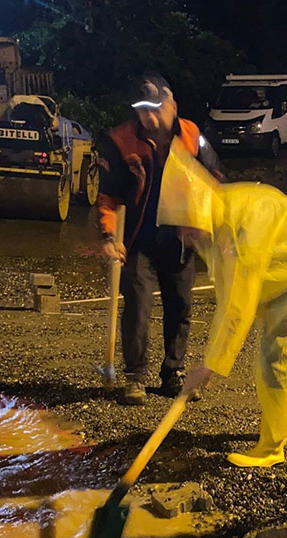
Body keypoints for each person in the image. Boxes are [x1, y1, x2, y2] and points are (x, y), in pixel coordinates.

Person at [162, 141, 287, 468]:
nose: (182, 235)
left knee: (280, 355)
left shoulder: (238, 228)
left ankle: (272, 447)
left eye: (182, 225)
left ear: (194, 212)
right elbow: (228, 291)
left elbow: (236, 306)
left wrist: (208, 366)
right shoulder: (218, 216)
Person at [97, 73, 222, 405]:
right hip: (138, 239)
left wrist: (206, 225)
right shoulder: (121, 141)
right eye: (142, 110)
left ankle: (172, 373)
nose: (149, 117)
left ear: (172, 105)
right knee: (138, 307)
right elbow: (108, 197)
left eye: (155, 109)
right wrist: (109, 236)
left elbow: (214, 181)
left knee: (180, 307)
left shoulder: (193, 136)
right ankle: (135, 377)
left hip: (180, 239)